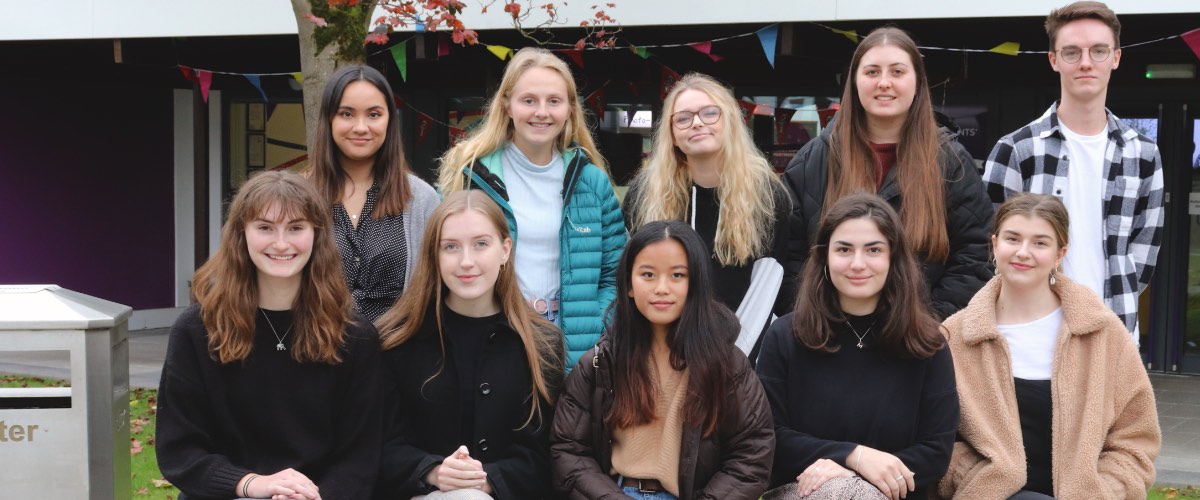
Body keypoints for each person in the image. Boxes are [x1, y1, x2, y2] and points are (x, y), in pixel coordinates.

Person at [157, 170, 381, 500]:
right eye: (265, 227)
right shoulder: (197, 330)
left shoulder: (355, 336)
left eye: (295, 228)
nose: (281, 243)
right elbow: (179, 450)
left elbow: (361, 458)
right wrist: (252, 484)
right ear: (241, 234)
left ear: (317, 235)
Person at [938, 193, 1160, 499]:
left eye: (1040, 243)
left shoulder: (1104, 334)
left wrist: (1102, 492)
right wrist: (976, 479)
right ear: (994, 244)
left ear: (1059, 254)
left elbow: (1135, 438)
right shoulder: (955, 337)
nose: (1023, 252)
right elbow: (935, 438)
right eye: (1012, 238)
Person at [551, 220, 775, 500]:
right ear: (629, 285)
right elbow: (569, 450)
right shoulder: (600, 362)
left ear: (696, 284)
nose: (661, 288)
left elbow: (751, 454)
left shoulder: (727, 364)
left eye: (677, 275)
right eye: (647, 275)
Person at [782, 27, 993, 320]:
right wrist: (819, 319)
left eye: (897, 72)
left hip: (920, 343)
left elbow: (975, 256)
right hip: (828, 340)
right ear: (854, 82)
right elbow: (790, 255)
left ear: (917, 82)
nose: (884, 83)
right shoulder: (813, 160)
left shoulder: (952, 162)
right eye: (871, 72)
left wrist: (928, 325)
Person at [757, 192, 958, 500]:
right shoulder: (785, 337)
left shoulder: (928, 344)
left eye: (873, 250)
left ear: (893, 257)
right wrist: (854, 456)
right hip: (802, 492)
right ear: (825, 256)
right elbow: (770, 436)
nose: (858, 263)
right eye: (844, 249)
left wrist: (854, 472)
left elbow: (935, 452)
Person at [982, 1, 1164, 341]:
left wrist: (1111, 297)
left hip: (1113, 328)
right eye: (1071, 52)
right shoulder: (1017, 150)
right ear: (1054, 60)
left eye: (1098, 51)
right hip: (1031, 333)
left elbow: (1144, 251)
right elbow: (989, 248)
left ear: (1116, 57)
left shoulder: (1143, 153)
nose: (1085, 63)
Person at [437, 47, 626, 368]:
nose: (542, 112)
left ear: (569, 109)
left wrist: (596, 330)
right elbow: (445, 259)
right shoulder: (472, 176)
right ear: (507, 105)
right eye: (529, 101)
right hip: (498, 332)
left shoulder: (592, 182)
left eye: (554, 101)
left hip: (574, 345)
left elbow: (616, 275)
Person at [373, 190, 566, 500]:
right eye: (450, 247)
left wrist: (483, 482)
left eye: (481, 244)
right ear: (433, 256)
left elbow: (545, 454)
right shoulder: (397, 338)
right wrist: (433, 471)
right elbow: (378, 446)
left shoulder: (542, 343)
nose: (466, 261)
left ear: (505, 250)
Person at [623, 73, 791, 357]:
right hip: (659, 354)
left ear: (729, 122)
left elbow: (767, 285)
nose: (697, 122)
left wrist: (734, 360)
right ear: (672, 134)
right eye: (684, 118)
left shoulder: (767, 196)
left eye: (710, 113)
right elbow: (633, 279)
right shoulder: (644, 193)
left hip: (737, 358)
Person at [306, 64, 438, 322]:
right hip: (315, 352)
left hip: (398, 355)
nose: (361, 127)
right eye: (346, 114)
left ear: (390, 120)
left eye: (374, 114)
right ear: (328, 119)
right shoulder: (299, 196)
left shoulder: (422, 199)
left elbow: (435, 287)